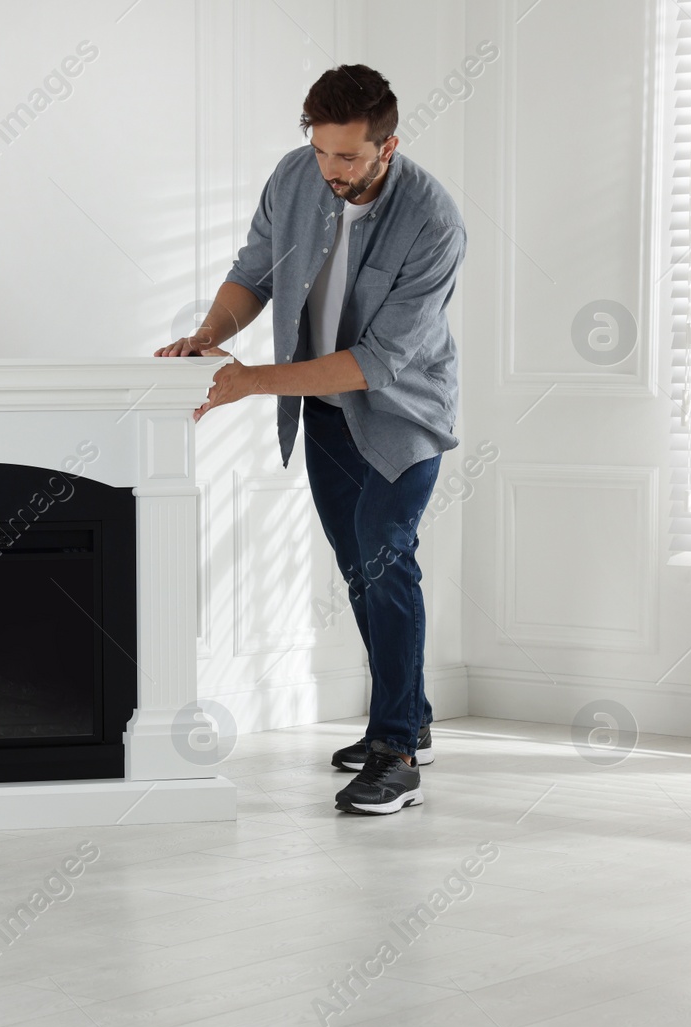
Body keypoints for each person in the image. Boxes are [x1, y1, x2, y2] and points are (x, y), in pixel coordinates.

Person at [156, 64, 466, 816]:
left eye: (350, 156)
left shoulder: (433, 221)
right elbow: (253, 273)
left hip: (401, 415)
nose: (333, 170)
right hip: (323, 414)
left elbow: (378, 362)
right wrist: (207, 338)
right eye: (323, 151)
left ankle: (396, 749)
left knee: (385, 553)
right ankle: (410, 712)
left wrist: (250, 381)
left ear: (388, 146)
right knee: (360, 564)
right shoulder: (297, 178)